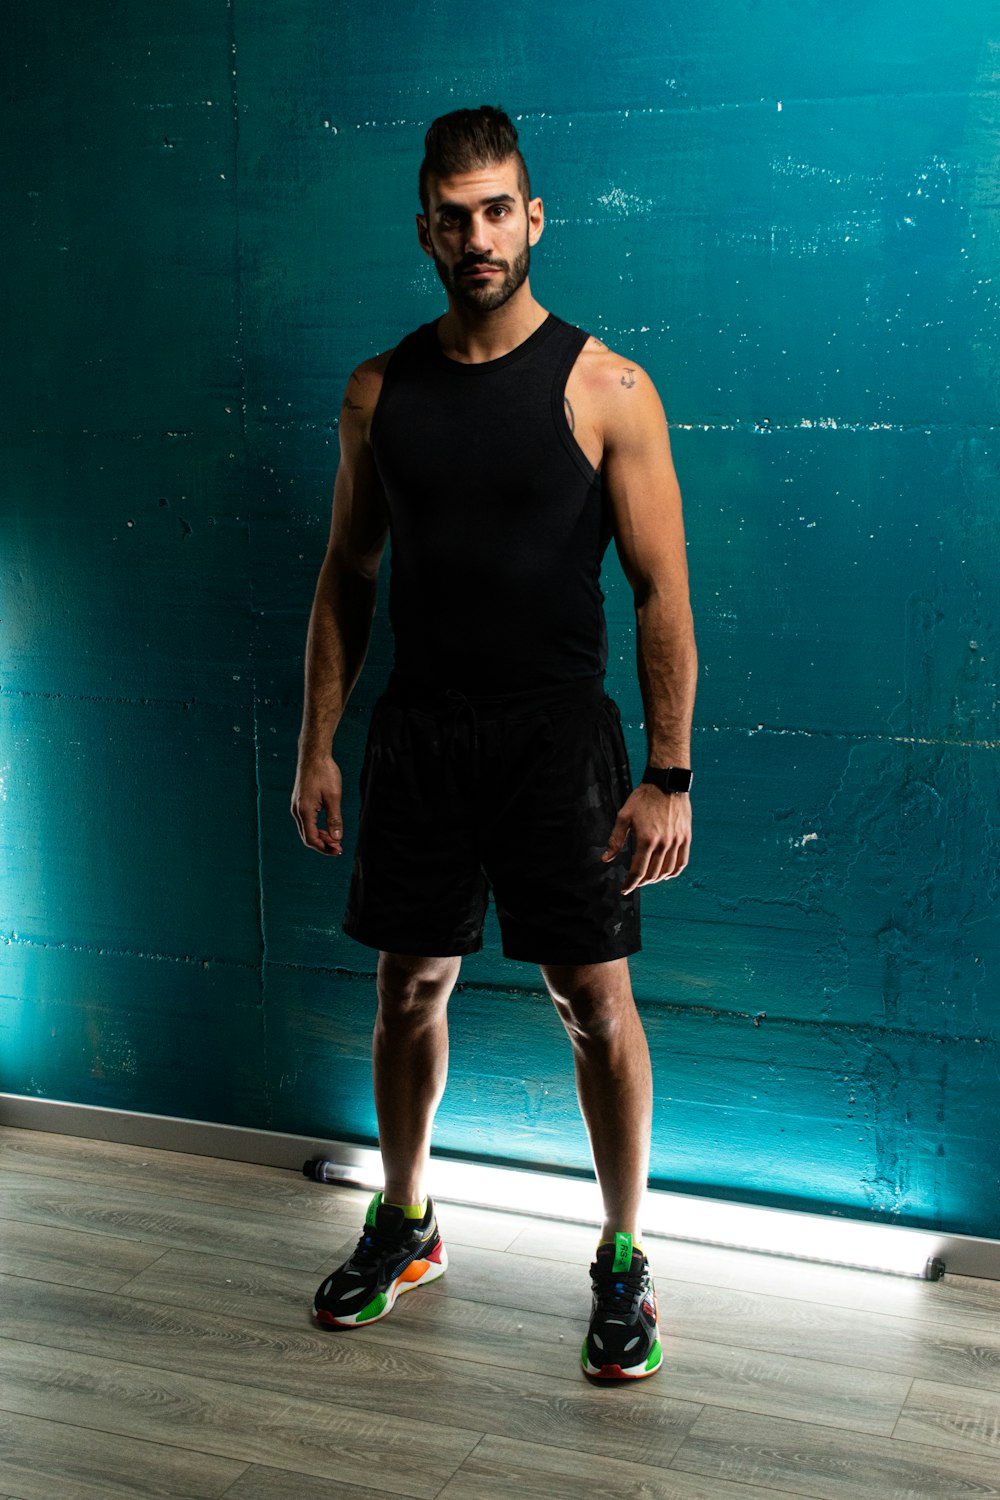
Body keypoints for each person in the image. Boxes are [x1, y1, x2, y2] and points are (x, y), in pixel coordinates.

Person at [291, 105, 697, 1382]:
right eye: (453, 215)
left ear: (534, 216)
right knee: (407, 985)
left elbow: (661, 593)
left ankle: (624, 1257)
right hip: (420, 736)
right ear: (426, 228)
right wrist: (319, 744)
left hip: (556, 742)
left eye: (497, 209)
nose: (477, 234)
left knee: (594, 1002)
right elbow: (346, 578)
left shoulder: (609, 387)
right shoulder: (380, 390)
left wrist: (666, 772)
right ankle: (405, 1223)